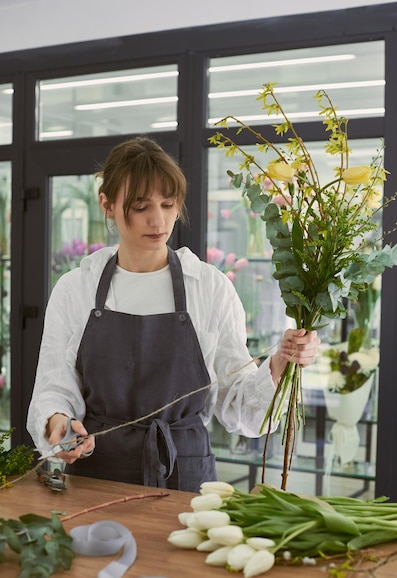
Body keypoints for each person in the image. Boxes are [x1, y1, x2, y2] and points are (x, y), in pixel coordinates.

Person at [27, 137, 320, 492]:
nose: (158, 220)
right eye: (141, 206)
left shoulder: (209, 288)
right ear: (107, 204)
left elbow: (236, 405)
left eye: (168, 204)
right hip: (97, 474)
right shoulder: (77, 289)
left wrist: (278, 365)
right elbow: (54, 386)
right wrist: (59, 422)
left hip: (186, 478)